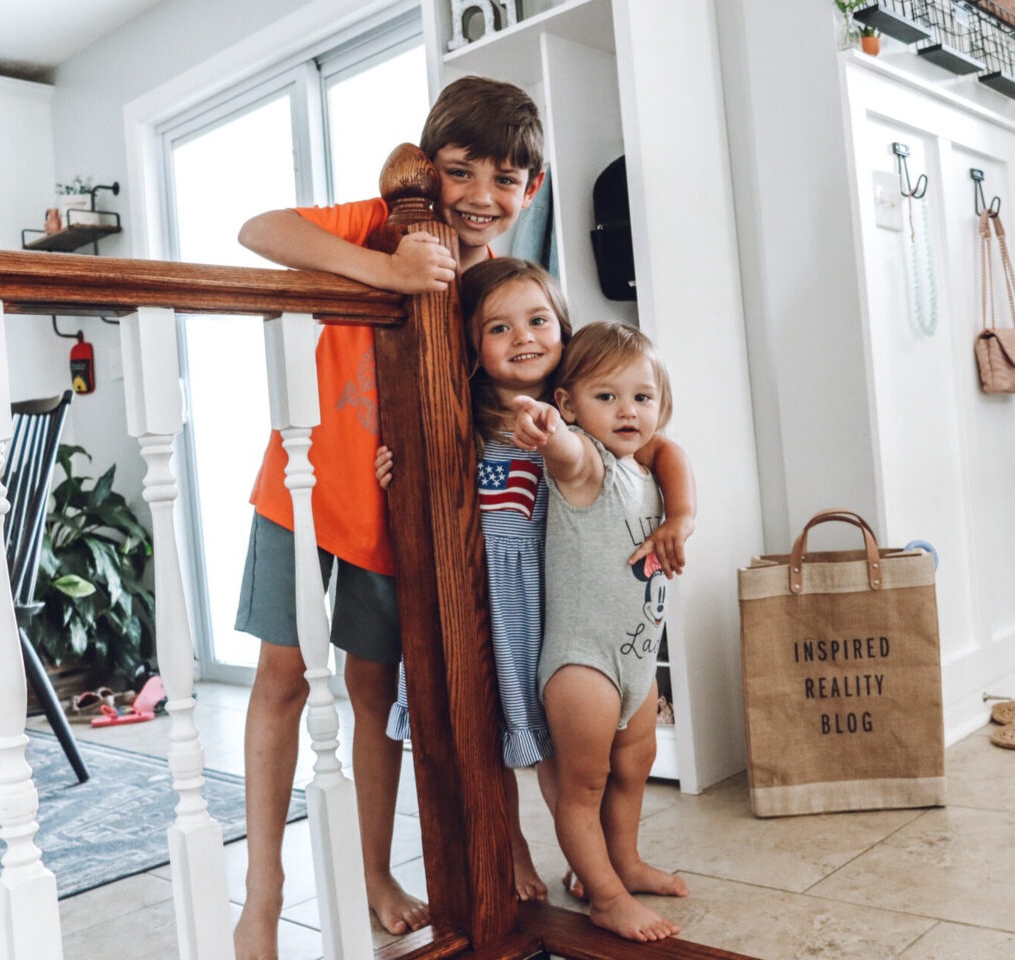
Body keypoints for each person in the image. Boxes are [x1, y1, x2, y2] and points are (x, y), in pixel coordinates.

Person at [231, 76, 546, 960]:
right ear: (427, 171)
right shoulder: (379, 222)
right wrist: (389, 271)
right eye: (460, 173)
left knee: (376, 701)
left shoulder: (494, 292)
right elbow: (260, 232)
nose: (480, 197)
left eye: (506, 180)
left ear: (533, 189)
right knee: (282, 683)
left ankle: (374, 871)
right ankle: (262, 898)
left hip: (395, 520)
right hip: (299, 496)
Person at [376, 258, 695, 906]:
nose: (523, 337)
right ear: (472, 342)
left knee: (570, 754)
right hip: (489, 602)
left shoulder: (590, 414)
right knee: (488, 739)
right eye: (500, 327)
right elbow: (433, 498)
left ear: (562, 327)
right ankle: (514, 846)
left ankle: (601, 862)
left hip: (561, 605)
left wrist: (683, 511)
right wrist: (397, 470)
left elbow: (657, 445)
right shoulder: (461, 418)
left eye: (538, 320)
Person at [511, 321, 692, 943]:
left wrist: (683, 517)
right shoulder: (586, 464)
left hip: (638, 657)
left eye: (641, 398)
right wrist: (547, 430)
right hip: (583, 665)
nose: (627, 411)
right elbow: (560, 449)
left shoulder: (645, 466)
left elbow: (670, 449)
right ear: (569, 404)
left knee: (635, 764)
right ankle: (606, 897)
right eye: (606, 396)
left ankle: (623, 862)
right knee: (583, 785)